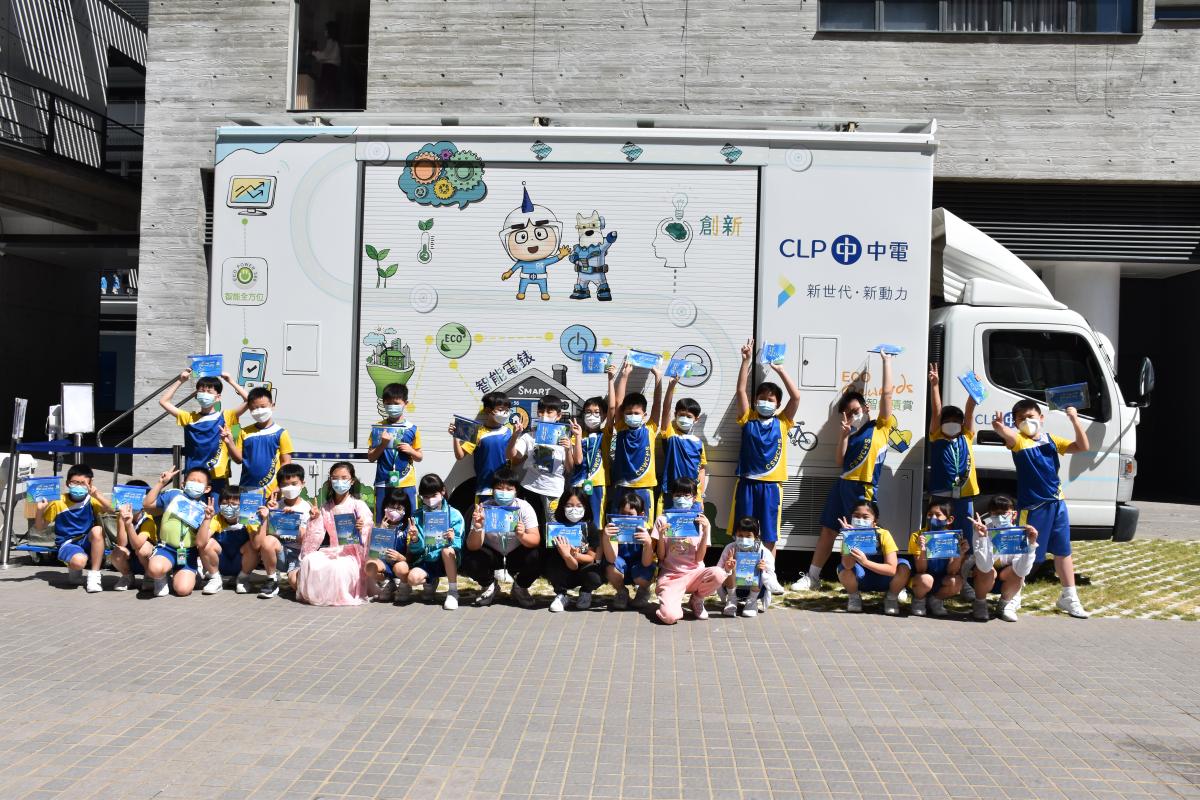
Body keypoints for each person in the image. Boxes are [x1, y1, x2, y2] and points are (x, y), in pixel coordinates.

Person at [793, 350, 896, 593]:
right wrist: (844, 435)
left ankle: (879, 579)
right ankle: (813, 576)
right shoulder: (851, 434)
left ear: (866, 408)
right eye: (848, 413)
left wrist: (886, 362)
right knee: (829, 530)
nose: (852, 415)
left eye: (855, 410)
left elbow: (888, 394)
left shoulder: (880, 426)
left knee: (867, 534)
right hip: (842, 485)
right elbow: (840, 460)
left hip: (864, 488)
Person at [990, 400, 1090, 618]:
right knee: (1023, 554)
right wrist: (999, 427)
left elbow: (1083, 447)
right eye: (1021, 418)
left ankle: (1069, 597)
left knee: (1063, 551)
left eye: (1031, 416)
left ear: (1041, 417)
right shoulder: (1019, 441)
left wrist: (1074, 419)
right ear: (1016, 423)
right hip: (1032, 508)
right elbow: (1007, 435)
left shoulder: (1051, 439)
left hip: (1057, 504)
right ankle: (1011, 598)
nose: (1027, 421)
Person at [730, 339, 800, 594]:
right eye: (762, 398)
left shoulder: (783, 422)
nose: (765, 402)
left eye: (771, 399)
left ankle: (768, 576)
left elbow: (796, 396)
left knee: (769, 535)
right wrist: (745, 361)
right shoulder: (747, 418)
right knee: (743, 533)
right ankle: (743, 580)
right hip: (747, 484)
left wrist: (780, 369)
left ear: (777, 404)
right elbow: (740, 391)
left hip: (771, 487)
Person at [927, 364, 980, 598]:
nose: (952, 423)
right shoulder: (937, 435)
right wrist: (935, 385)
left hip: (965, 496)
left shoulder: (966, 435)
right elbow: (936, 411)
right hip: (941, 496)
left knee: (966, 539)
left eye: (956, 420)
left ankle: (963, 580)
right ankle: (936, 579)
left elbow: (970, 409)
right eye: (947, 420)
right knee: (939, 536)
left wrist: (974, 388)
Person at [461, 466, 542, 608]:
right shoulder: (483, 509)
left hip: (516, 552)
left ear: (516, 491)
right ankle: (489, 585)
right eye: (499, 488)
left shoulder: (524, 507)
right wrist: (478, 527)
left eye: (509, 489)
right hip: (492, 553)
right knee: (470, 558)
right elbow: (472, 546)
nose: (504, 492)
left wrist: (522, 535)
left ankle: (520, 587)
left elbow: (535, 539)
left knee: (537, 556)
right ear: (492, 490)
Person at [159, 368, 248, 493]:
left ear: (218, 397)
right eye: (201, 391)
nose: (205, 394)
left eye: (209, 391)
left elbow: (249, 400)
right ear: (196, 395)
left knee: (216, 506)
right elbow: (163, 401)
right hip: (194, 476)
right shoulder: (188, 418)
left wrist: (230, 381)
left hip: (218, 475)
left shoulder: (226, 416)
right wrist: (180, 380)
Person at [296, 462, 373, 606]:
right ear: (330, 480)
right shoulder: (326, 507)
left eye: (344, 478)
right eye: (335, 478)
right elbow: (316, 534)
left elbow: (368, 531)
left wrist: (361, 528)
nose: (339, 482)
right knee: (310, 560)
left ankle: (338, 596)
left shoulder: (358, 505)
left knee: (338, 567)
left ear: (352, 481)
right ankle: (318, 595)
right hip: (332, 550)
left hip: (352, 553)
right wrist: (315, 518)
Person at [651, 478, 725, 625]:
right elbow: (661, 557)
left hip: (695, 573)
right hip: (671, 576)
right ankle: (672, 602)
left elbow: (699, 559)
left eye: (686, 495)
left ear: (694, 498)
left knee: (719, 573)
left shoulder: (701, 521)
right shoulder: (663, 519)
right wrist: (661, 535)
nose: (682, 499)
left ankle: (697, 599)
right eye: (678, 495)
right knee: (669, 617)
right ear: (672, 496)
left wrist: (706, 531)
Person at [32, 463, 110, 592]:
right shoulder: (58, 502)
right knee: (79, 562)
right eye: (75, 482)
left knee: (97, 530)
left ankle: (94, 576)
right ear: (68, 483)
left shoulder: (91, 499)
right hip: (67, 543)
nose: (78, 486)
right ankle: (74, 569)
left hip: (86, 540)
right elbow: (40, 527)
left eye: (83, 483)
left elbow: (112, 510)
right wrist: (40, 510)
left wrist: (98, 496)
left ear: (90, 484)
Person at [507, 395, 577, 528]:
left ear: (558, 415)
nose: (544, 415)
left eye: (549, 412)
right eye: (541, 411)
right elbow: (512, 455)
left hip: (553, 490)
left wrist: (568, 450)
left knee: (553, 526)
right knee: (529, 525)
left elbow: (569, 468)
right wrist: (515, 436)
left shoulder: (564, 438)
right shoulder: (529, 436)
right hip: (529, 487)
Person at [396, 474, 464, 610]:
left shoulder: (454, 514)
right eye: (426, 496)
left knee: (447, 551)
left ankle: (453, 591)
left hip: (447, 560)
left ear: (442, 491)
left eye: (434, 495)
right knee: (412, 579)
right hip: (426, 559)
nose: (430, 500)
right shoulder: (416, 516)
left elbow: (460, 543)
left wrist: (452, 538)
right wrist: (415, 539)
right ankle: (431, 581)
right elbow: (416, 550)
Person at [607, 362, 663, 524]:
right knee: (619, 525)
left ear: (644, 415)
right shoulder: (621, 427)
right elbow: (618, 403)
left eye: (637, 413)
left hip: (644, 486)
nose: (632, 416)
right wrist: (624, 375)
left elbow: (657, 404)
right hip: (622, 485)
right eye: (629, 413)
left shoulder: (650, 429)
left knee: (644, 526)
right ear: (623, 414)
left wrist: (658, 378)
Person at [141, 467, 211, 597]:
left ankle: (190, 573)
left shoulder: (205, 509)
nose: (195, 484)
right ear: (183, 484)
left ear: (207, 489)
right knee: (155, 569)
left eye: (199, 482)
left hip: (187, 552)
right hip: (166, 548)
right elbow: (147, 504)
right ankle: (160, 579)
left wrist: (207, 519)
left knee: (183, 590)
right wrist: (161, 483)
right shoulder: (174, 494)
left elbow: (201, 543)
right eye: (192, 480)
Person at [969, 495, 1039, 622]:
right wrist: (982, 537)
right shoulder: (982, 530)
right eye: (996, 513)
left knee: (1018, 574)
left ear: (1014, 514)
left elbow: (1023, 571)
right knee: (987, 571)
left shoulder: (1020, 534)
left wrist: (1031, 544)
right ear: (990, 514)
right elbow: (984, 566)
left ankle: (1005, 605)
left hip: (1007, 577)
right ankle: (980, 603)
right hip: (983, 576)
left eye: (1004, 513)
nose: (1000, 517)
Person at [836, 500, 911, 615]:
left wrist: (865, 562)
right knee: (843, 569)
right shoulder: (848, 534)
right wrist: (849, 537)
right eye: (856, 516)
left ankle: (891, 598)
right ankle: (854, 597)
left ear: (874, 521)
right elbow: (847, 565)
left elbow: (891, 570)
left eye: (865, 517)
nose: (860, 520)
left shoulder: (884, 534)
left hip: (884, 578)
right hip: (862, 579)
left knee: (904, 566)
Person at [366, 382, 422, 521]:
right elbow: (371, 457)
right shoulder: (378, 428)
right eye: (388, 403)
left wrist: (410, 450)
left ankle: (408, 537)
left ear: (405, 403)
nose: (392, 407)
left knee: (409, 519)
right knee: (381, 519)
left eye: (396, 403)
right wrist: (383, 444)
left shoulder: (412, 428)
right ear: (383, 404)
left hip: (406, 481)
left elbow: (419, 457)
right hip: (383, 481)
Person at [253, 462, 311, 598]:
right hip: (280, 553)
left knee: (297, 586)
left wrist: (292, 521)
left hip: (298, 555)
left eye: (294, 484)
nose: (290, 488)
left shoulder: (307, 508)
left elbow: (305, 541)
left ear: (303, 483)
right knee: (268, 541)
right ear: (279, 487)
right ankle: (272, 580)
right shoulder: (275, 506)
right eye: (285, 484)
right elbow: (264, 539)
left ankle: (294, 576)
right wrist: (268, 516)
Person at [543, 486, 604, 612]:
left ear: (585, 507)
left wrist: (574, 554)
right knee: (552, 564)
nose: (574, 509)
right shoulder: (555, 529)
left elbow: (591, 557)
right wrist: (566, 555)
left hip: (583, 569)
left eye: (579, 506)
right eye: (569, 506)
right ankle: (561, 595)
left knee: (595, 575)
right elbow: (570, 565)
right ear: (562, 507)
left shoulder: (590, 527)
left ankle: (586, 592)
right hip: (563, 570)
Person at [225, 387, 293, 494]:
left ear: (272, 405)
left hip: (272, 491)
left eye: (263, 406)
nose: (259, 411)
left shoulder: (281, 433)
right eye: (254, 408)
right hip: (246, 490)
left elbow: (286, 462)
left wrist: (280, 486)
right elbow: (238, 460)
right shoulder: (244, 432)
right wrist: (229, 443)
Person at [907, 498, 966, 618]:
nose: (933, 518)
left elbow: (952, 571)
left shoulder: (953, 537)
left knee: (957, 582)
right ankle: (919, 600)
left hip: (942, 579)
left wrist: (960, 554)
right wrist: (923, 549)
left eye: (938, 515)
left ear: (949, 520)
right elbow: (920, 569)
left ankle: (935, 600)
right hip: (920, 579)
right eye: (930, 515)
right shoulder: (917, 536)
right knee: (926, 579)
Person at [197, 484, 261, 596]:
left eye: (234, 504)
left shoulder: (249, 519)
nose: (229, 507)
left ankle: (242, 579)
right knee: (208, 544)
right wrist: (207, 519)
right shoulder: (217, 519)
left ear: (243, 505)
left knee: (252, 545)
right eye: (225, 503)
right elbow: (200, 543)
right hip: (221, 563)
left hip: (241, 563)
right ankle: (215, 579)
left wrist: (253, 524)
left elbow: (257, 546)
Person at [450, 391, 514, 500]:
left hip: (506, 489)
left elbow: (514, 455)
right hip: (484, 488)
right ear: (488, 410)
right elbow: (459, 456)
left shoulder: (510, 431)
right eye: (500, 410)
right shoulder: (476, 431)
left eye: (507, 410)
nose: (504, 413)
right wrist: (455, 436)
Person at [656, 377, 707, 513]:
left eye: (689, 416)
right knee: (666, 525)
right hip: (670, 493)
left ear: (696, 419)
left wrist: (700, 496)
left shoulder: (698, 442)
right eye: (681, 415)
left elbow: (701, 469)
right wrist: (671, 387)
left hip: (692, 496)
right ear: (675, 415)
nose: (684, 418)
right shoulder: (671, 435)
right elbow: (665, 410)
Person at [601, 490, 656, 610]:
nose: (625, 517)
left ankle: (643, 591)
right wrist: (605, 538)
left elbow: (647, 563)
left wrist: (648, 543)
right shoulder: (614, 529)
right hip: (622, 568)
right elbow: (611, 559)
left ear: (641, 515)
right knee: (610, 567)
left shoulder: (646, 531)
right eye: (622, 513)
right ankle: (622, 592)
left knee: (647, 570)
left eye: (630, 514)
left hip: (639, 568)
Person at [717, 517, 775, 618]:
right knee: (731, 566)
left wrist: (764, 569)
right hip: (733, 588)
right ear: (735, 535)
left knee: (759, 568)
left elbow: (771, 574)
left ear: (756, 537)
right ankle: (732, 601)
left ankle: (751, 602)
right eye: (740, 535)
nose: (744, 539)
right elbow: (718, 570)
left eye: (748, 536)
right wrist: (727, 567)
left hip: (756, 590)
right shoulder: (730, 548)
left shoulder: (763, 551)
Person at [364, 487, 414, 603]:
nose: (394, 510)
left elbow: (413, 555)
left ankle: (404, 586)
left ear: (405, 509)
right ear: (385, 506)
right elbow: (373, 553)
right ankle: (387, 583)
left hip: (401, 563)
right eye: (391, 506)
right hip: (385, 564)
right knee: (370, 566)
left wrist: (401, 558)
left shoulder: (408, 528)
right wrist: (380, 532)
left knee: (401, 568)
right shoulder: (379, 526)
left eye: (399, 508)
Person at [110, 479, 157, 591]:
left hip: (146, 559)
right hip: (130, 558)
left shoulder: (148, 520)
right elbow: (122, 543)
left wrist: (129, 525)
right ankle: (127, 576)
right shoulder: (120, 516)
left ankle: (149, 576)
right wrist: (122, 520)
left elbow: (137, 545)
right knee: (117, 552)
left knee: (143, 550)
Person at [570, 395, 609, 525]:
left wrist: (611, 383)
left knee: (597, 522)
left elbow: (613, 408)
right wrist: (578, 436)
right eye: (588, 412)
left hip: (598, 484)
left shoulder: (606, 434)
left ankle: (596, 540)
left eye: (597, 412)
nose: (592, 416)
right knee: (577, 520)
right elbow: (577, 461)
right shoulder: (577, 435)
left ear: (604, 415)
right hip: (578, 484)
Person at [311, 20, 342, 108]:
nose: (324, 31)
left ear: (330, 31)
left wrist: (313, 53)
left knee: (326, 90)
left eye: (326, 29)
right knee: (330, 90)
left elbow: (325, 55)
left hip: (329, 69)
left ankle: (325, 108)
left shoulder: (331, 42)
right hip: (331, 69)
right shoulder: (335, 42)